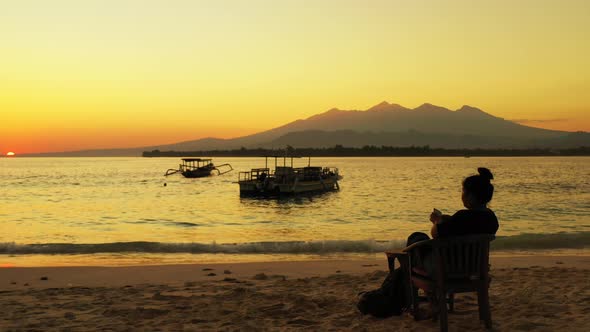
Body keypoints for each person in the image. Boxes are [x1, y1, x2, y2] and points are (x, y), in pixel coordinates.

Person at [406, 167, 499, 273]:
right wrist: (448, 219)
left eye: (463, 191)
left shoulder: (462, 216)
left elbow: (436, 234)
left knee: (417, 237)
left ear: (471, 196)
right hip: (475, 268)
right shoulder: (491, 218)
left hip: (448, 268)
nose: (462, 195)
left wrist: (436, 220)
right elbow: (465, 227)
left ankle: (407, 280)